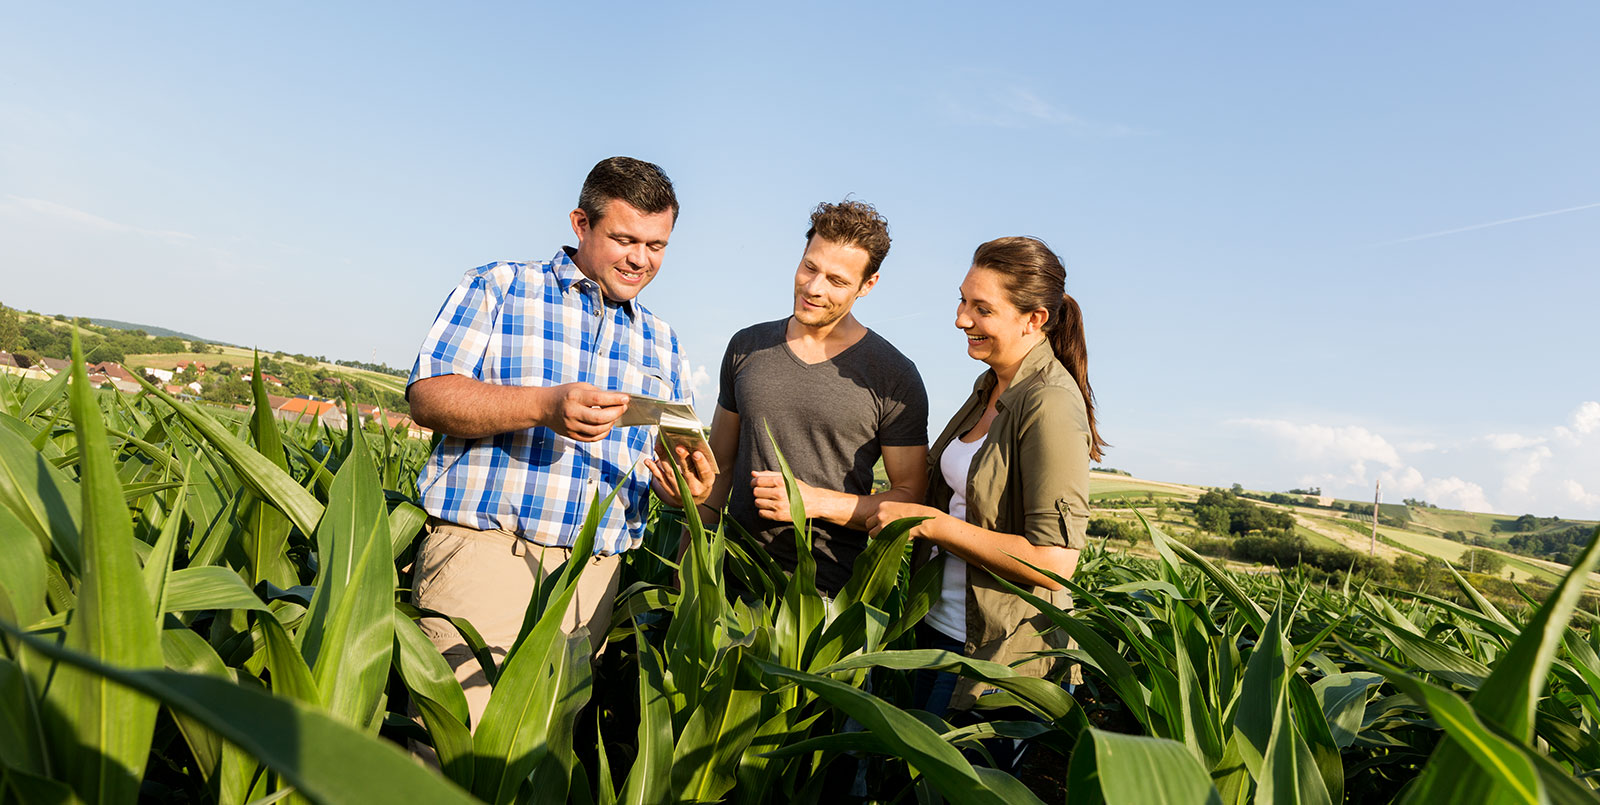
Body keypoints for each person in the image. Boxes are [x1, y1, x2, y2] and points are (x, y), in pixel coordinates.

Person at [405, 156, 712, 729]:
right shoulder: (498, 286)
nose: (641, 259)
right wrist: (543, 407)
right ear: (581, 223)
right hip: (488, 555)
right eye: (624, 238)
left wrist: (682, 489)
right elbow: (428, 396)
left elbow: (663, 458)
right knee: (453, 752)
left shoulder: (663, 341)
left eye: (657, 245)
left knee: (542, 759)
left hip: (593, 578)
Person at [867, 235, 1107, 721]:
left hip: (997, 657)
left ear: (1033, 318)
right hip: (942, 626)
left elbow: (1055, 561)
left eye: (982, 308)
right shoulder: (989, 387)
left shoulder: (1050, 403)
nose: (961, 319)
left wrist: (932, 524)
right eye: (962, 299)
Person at [651, 200, 928, 597]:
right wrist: (687, 573)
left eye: (837, 280)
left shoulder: (894, 375)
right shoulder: (747, 346)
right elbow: (721, 467)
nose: (814, 288)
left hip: (828, 600)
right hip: (730, 586)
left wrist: (814, 502)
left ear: (868, 285)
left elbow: (908, 498)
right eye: (810, 267)